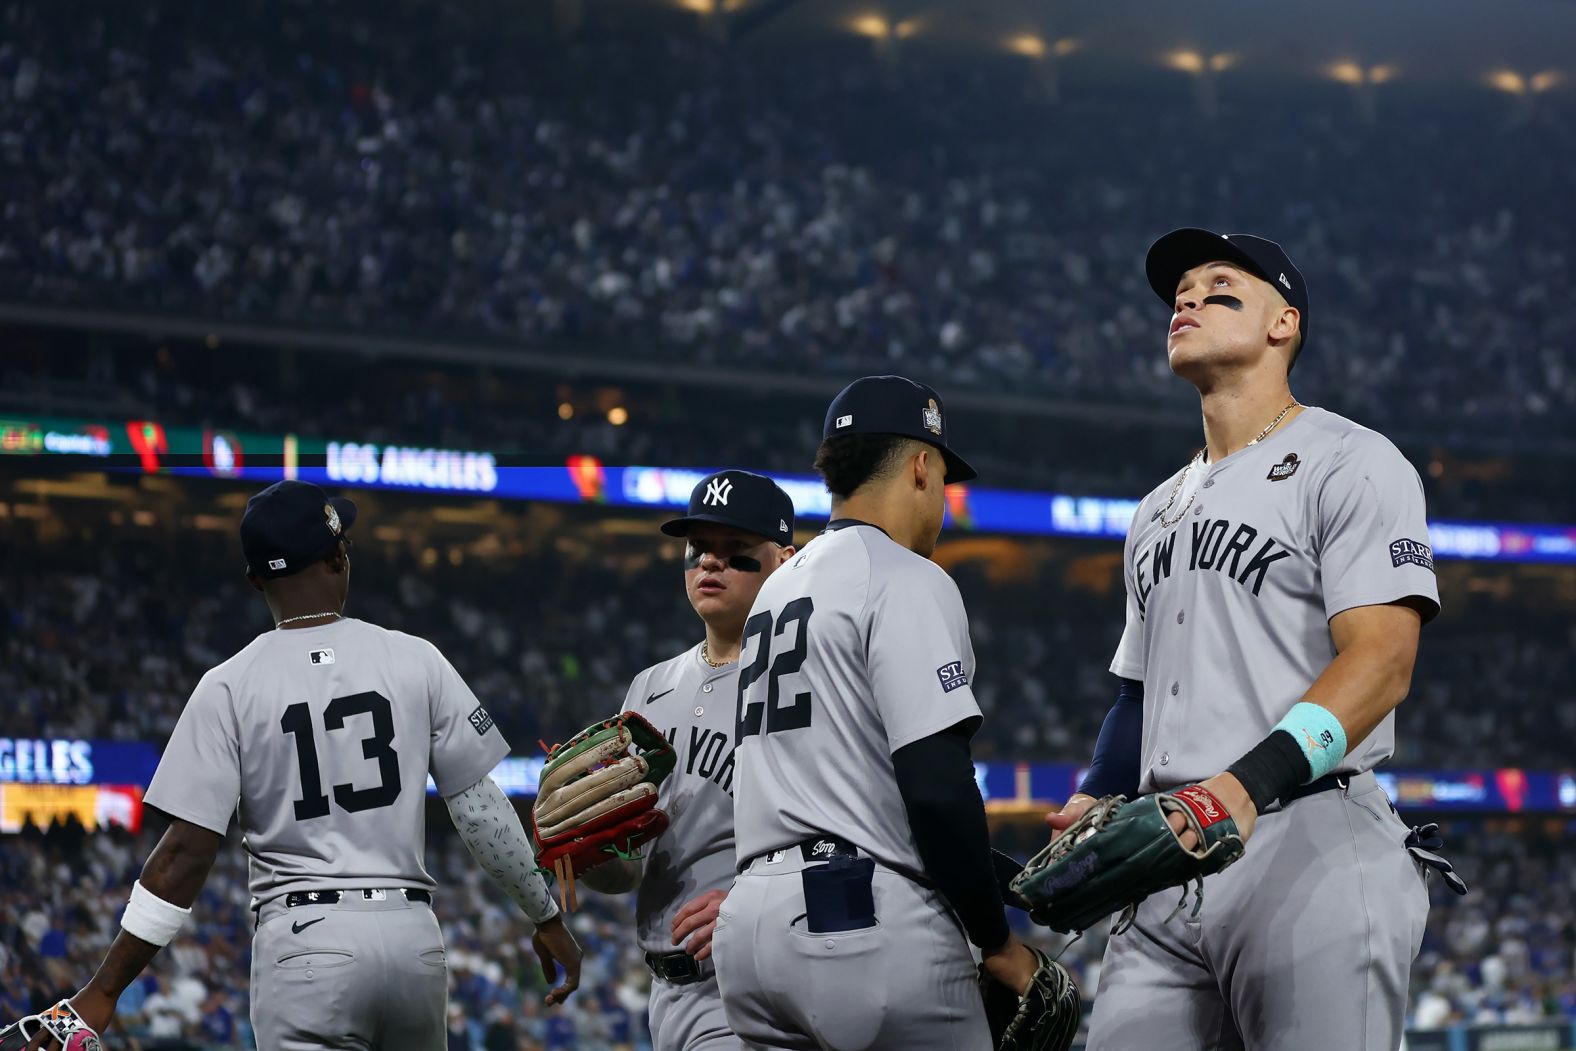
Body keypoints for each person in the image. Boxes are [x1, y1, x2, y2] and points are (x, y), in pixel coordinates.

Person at [14, 479, 581, 1050]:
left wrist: (104, 991)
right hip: (414, 942)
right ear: (339, 556)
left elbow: (185, 854)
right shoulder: (417, 658)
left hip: (305, 944)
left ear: (255, 579)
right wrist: (546, 915)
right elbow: (481, 812)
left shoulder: (228, 685)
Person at [1056, 229, 1440, 1050]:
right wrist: (1096, 789)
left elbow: (1383, 660)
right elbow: (1136, 689)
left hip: (1306, 833)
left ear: (1283, 324)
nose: (1186, 299)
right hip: (1165, 851)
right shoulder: (1154, 508)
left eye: (1220, 287)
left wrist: (1244, 783)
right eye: (1180, 292)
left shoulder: (1351, 460)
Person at [713, 375, 1043, 1049]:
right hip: (857, 917)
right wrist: (997, 939)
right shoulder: (905, 575)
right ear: (921, 465)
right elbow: (935, 784)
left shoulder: (778, 588)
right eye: (946, 477)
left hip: (748, 930)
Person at [577, 470, 797, 1051]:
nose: (710, 564)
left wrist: (761, 905)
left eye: (735, 552)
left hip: (756, 982)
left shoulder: (801, 679)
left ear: (784, 561)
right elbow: (629, 870)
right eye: (698, 550)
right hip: (667, 992)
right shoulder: (649, 687)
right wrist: (592, 852)